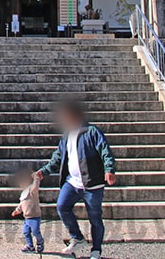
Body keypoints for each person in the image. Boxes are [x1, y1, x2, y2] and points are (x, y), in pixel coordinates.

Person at [35, 99, 117, 259]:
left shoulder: (92, 131)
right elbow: (57, 157)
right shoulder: (66, 135)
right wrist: (44, 172)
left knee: (95, 217)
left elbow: (105, 150)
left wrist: (109, 169)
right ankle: (77, 237)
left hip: (92, 183)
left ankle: (96, 250)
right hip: (72, 182)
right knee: (62, 206)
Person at [11, 168, 44, 253]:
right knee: (26, 232)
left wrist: (36, 177)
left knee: (36, 231)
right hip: (27, 217)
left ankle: (40, 242)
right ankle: (30, 245)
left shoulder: (32, 191)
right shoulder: (23, 194)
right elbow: (21, 204)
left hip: (35, 216)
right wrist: (17, 210)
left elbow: (36, 185)